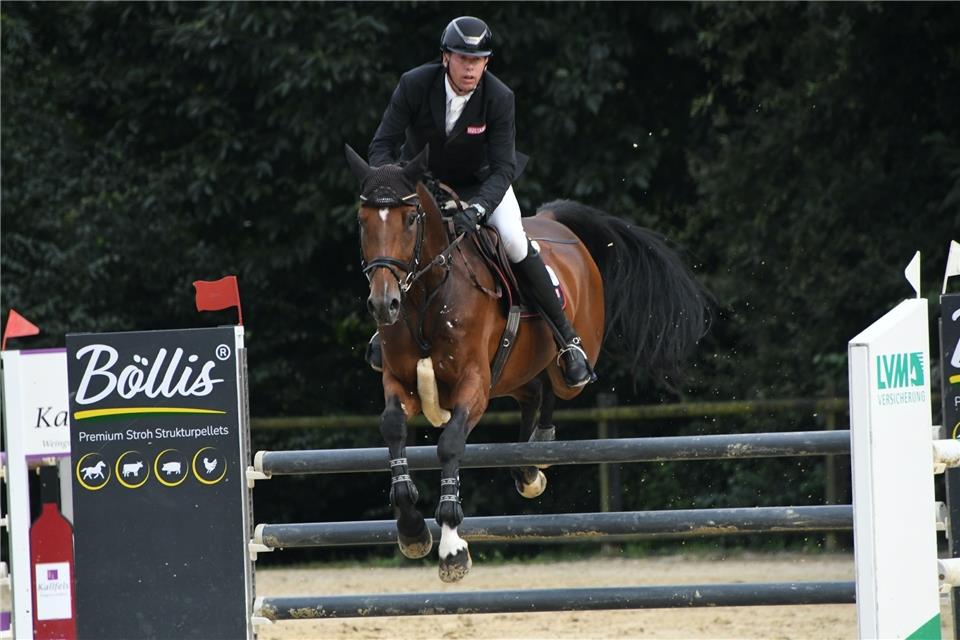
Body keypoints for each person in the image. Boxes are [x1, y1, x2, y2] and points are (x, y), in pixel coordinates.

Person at [365, 16, 592, 388]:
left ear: (486, 62)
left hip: (483, 184)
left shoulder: (499, 98)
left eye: (478, 60)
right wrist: (389, 184)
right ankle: (385, 331)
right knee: (390, 237)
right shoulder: (414, 85)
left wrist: (478, 210)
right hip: (421, 184)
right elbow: (381, 145)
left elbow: (503, 168)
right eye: (463, 59)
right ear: (446, 58)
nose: (471, 68)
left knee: (515, 241)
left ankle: (568, 341)